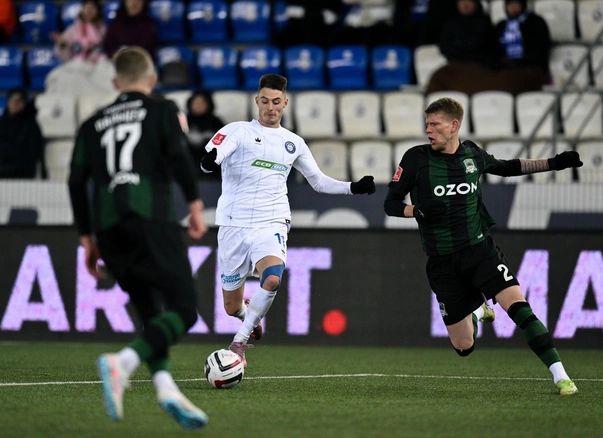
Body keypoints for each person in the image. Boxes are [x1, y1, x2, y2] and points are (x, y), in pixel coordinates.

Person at [384, 97, 582, 396]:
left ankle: (561, 377)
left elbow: (508, 167)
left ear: (454, 125)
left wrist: (554, 163)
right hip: (442, 262)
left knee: (520, 309)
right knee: (463, 346)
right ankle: (477, 312)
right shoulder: (415, 159)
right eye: (427, 125)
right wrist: (417, 210)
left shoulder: (472, 154)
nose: (428, 130)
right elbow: (390, 204)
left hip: (480, 251)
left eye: (435, 124)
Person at [67, 46, 209, 429]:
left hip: (109, 229)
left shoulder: (91, 123)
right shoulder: (162, 109)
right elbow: (178, 154)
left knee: (150, 314)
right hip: (152, 220)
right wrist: (195, 204)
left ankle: (166, 388)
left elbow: (76, 181)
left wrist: (86, 237)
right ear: (152, 79)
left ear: (115, 82)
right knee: (184, 311)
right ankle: (124, 362)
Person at [200, 74, 376, 366]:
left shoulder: (293, 142)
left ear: (285, 103)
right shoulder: (238, 131)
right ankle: (248, 316)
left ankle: (238, 343)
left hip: (272, 222)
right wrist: (210, 162)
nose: (270, 107)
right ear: (257, 101)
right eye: (265, 101)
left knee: (272, 279)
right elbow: (214, 155)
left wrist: (352, 187)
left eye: (276, 102)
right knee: (231, 307)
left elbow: (318, 181)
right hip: (233, 224)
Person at [0, 88, 44, 179]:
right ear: (8, 102)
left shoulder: (31, 127)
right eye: (12, 100)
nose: (15, 103)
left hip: (20, 174)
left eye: (19, 100)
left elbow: (34, 152)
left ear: (24, 104)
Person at [495, 0, 551, 87]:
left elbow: (542, 49)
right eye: (509, 5)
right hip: (506, 69)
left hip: (530, 68)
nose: (512, 7)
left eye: (515, 4)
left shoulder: (536, 22)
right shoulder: (501, 25)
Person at [185, 89, 224, 176]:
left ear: (209, 104)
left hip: (211, 168)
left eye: (202, 103)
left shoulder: (216, 122)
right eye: (195, 103)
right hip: (188, 165)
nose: (198, 106)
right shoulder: (183, 121)